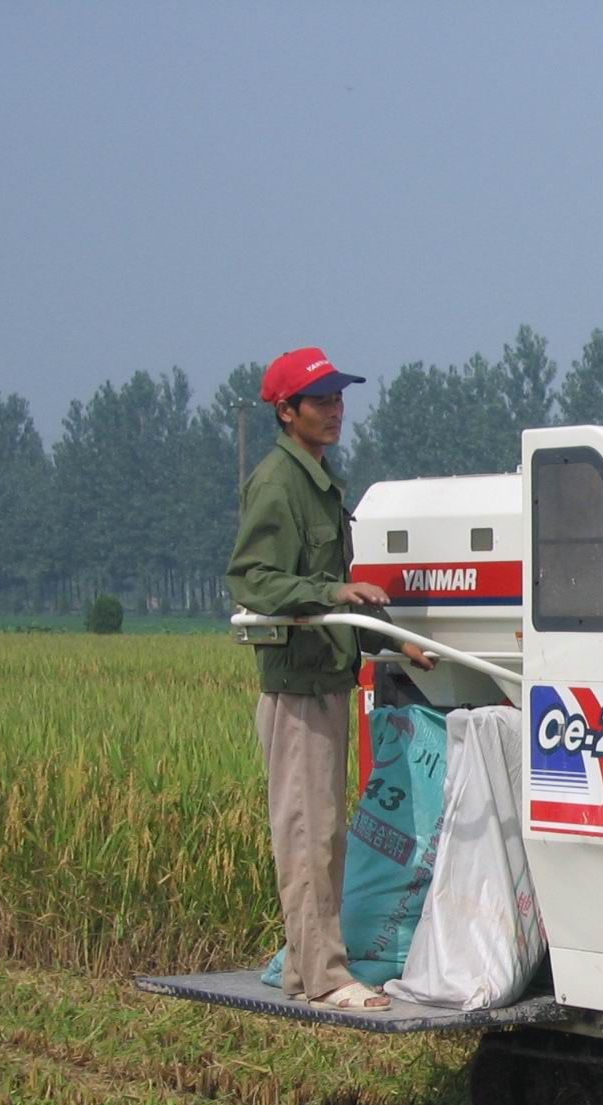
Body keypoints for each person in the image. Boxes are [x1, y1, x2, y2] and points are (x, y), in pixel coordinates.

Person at [227, 346, 403, 1012]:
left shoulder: (318, 478)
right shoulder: (279, 481)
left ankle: (309, 972)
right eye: (321, 401)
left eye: (338, 398)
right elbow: (254, 578)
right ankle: (327, 978)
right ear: (286, 410)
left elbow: (336, 597)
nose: (335, 411)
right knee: (308, 836)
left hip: (329, 677)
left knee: (325, 833)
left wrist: (387, 646)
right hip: (298, 687)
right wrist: (335, 589)